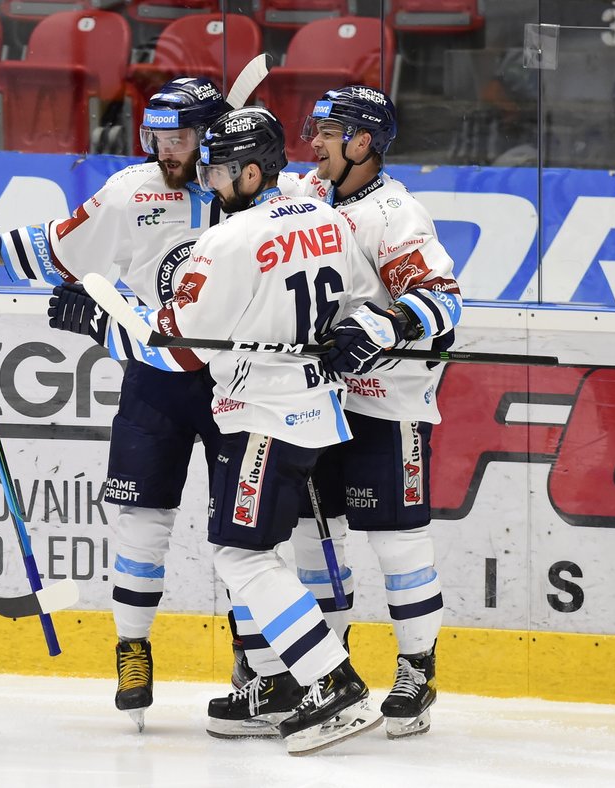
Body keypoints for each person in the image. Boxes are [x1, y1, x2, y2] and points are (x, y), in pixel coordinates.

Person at [0, 77, 300, 731]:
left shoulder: (267, 195)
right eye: (154, 136)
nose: (164, 150)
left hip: (244, 385)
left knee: (248, 536)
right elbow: (56, 248)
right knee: (140, 521)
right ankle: (133, 651)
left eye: (179, 138)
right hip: (155, 377)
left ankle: (261, 670)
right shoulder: (133, 191)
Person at [89, 105, 390, 754]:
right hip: (320, 415)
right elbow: (366, 305)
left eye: (221, 170)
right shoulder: (323, 216)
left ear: (252, 172)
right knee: (259, 550)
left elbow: (179, 351)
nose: (211, 183)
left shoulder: (227, 240)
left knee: (242, 553)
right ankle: (280, 685)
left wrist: (99, 325)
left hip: (262, 417)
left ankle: (331, 681)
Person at [222, 85, 459, 741]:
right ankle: (321, 679)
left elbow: (445, 302)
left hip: (391, 404)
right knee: (314, 546)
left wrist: (388, 322)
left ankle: (416, 667)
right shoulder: (307, 195)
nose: (315, 140)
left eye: (328, 131)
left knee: (396, 543)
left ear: (362, 141)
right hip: (320, 403)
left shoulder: (395, 214)